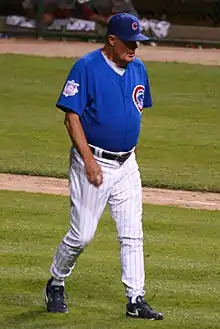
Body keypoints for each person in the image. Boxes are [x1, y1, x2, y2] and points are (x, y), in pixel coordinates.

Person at [44, 13, 164, 320]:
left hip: (127, 165)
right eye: (128, 42)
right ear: (111, 40)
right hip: (92, 163)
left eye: (137, 42)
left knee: (132, 233)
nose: (134, 48)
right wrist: (88, 161)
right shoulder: (86, 67)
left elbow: (136, 111)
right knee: (82, 234)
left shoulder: (138, 68)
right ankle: (56, 282)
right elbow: (71, 117)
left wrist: (128, 150)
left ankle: (135, 299)